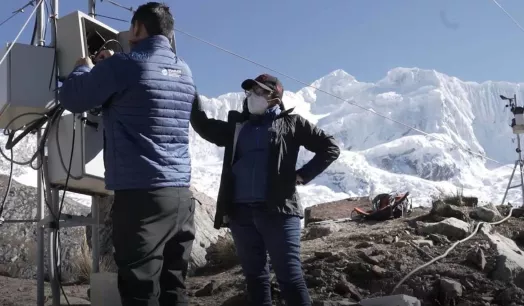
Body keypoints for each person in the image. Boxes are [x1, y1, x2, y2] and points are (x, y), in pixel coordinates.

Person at [58, 2, 196, 306]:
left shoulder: (125, 66)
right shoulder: (184, 70)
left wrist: (84, 66)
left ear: (137, 28)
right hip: (182, 199)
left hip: (141, 199)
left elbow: (73, 96)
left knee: (139, 291)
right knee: (174, 288)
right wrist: (110, 68)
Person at [190, 74, 340, 306]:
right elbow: (203, 125)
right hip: (241, 214)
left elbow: (329, 148)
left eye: (260, 92)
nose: (253, 96)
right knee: (254, 278)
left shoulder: (292, 123)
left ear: (275, 97)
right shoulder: (239, 126)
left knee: (290, 277)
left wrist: (303, 174)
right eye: (250, 92)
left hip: (279, 212)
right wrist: (189, 90)